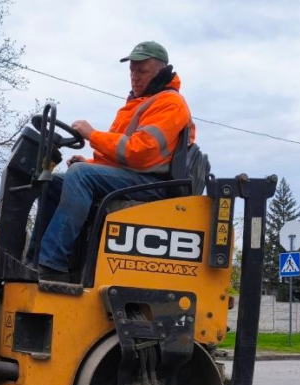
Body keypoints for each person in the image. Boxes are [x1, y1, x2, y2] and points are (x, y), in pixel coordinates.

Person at [28, 41, 195, 281]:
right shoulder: (139, 103)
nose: (134, 78)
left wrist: (92, 135)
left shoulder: (170, 104)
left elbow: (140, 152)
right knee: (54, 183)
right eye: (132, 71)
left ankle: (53, 264)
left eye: (142, 71)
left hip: (153, 185)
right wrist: (89, 163)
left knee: (81, 176)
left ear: (161, 71)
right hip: (137, 175)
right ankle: (34, 261)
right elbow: (120, 159)